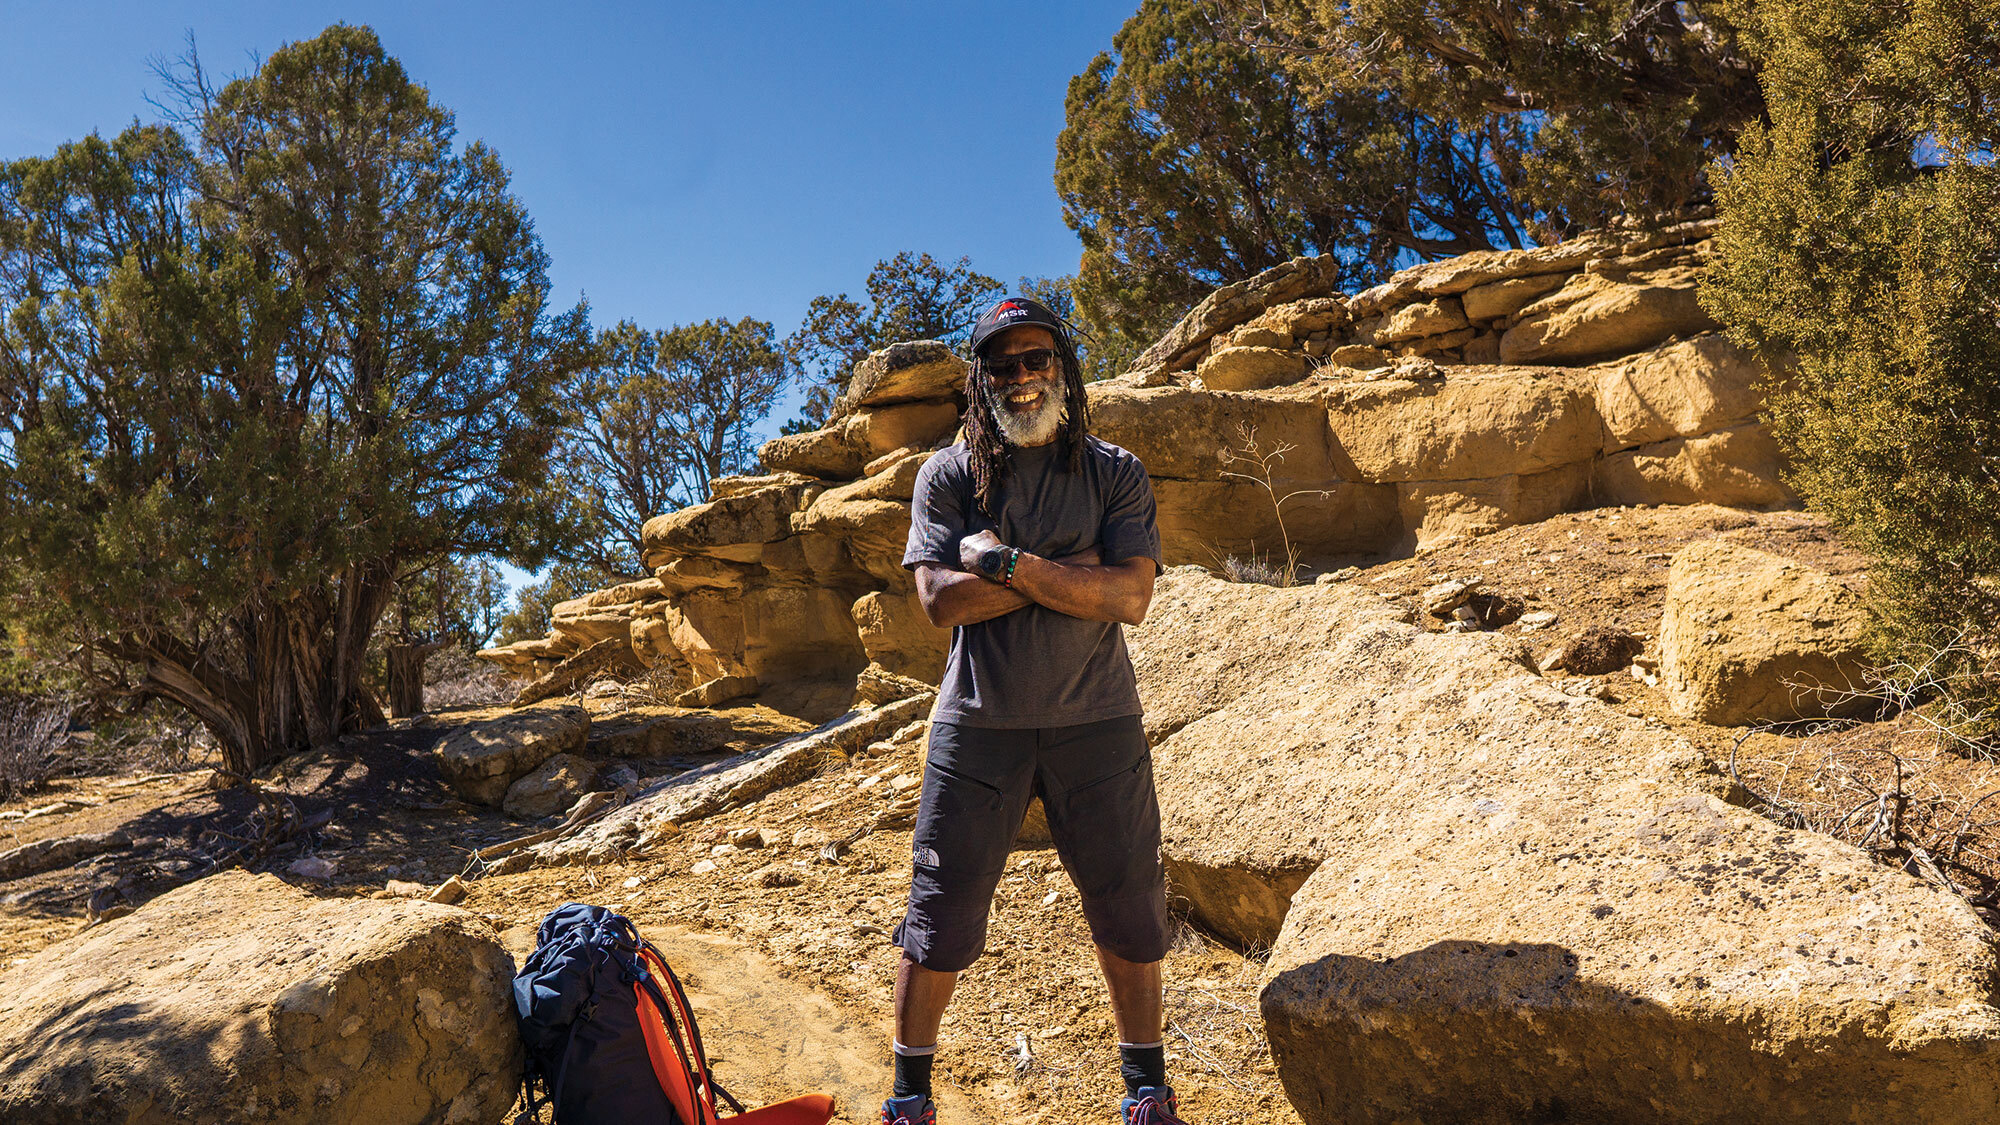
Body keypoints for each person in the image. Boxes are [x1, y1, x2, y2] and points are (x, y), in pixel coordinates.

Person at [881, 296, 1187, 1125]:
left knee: (1128, 903)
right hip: (976, 726)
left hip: (1099, 722)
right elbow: (940, 601)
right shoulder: (948, 476)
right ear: (980, 380)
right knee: (939, 910)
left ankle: (1147, 1089)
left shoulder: (1112, 469)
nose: (1022, 377)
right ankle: (909, 1096)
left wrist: (1008, 563)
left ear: (1063, 365)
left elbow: (1129, 595)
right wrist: (1068, 573)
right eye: (1002, 364)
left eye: (1036, 358)